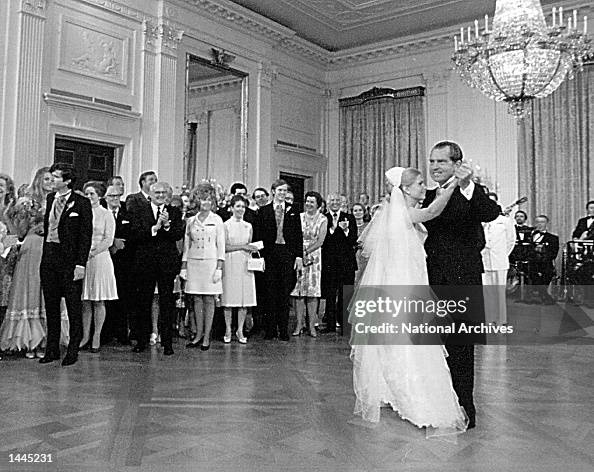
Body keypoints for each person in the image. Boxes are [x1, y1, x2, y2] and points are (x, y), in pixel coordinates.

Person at [351, 166, 467, 433]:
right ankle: (411, 396)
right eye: (419, 184)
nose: (423, 189)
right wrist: (452, 187)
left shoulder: (394, 212)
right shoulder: (401, 212)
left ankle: (393, 389)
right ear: (405, 189)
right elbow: (431, 212)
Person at [422, 141, 500, 429]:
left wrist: (468, 186)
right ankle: (437, 405)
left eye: (440, 162)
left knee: (461, 348)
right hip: (430, 282)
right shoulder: (427, 196)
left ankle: (465, 407)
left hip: (462, 282)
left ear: (457, 164)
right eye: (431, 162)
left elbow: (490, 213)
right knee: (432, 346)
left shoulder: (472, 193)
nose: (434, 167)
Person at [39, 163, 93, 366]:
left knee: (72, 306)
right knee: (51, 305)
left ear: (67, 180)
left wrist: (81, 264)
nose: (51, 181)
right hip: (50, 257)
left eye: (56, 177)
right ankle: (51, 349)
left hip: (70, 261)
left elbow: (85, 236)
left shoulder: (81, 203)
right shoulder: (51, 198)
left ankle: (73, 349)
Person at [129, 182, 184, 355]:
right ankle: (142, 340)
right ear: (150, 194)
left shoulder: (174, 211)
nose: (160, 195)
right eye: (157, 192)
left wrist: (167, 226)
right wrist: (154, 228)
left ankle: (167, 342)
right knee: (143, 302)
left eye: (163, 192)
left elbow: (177, 235)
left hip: (166, 264)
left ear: (168, 194)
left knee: (167, 302)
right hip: (145, 263)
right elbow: (135, 233)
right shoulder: (139, 210)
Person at [256, 179, 303, 341]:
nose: (283, 193)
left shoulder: (294, 210)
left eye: (285, 191)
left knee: (284, 292)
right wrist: (260, 257)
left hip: (287, 253)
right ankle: (270, 329)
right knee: (270, 292)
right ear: (274, 191)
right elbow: (258, 235)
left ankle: (283, 329)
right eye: (280, 190)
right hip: (270, 253)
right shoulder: (264, 211)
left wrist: (298, 256)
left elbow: (298, 235)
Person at [182, 183, 225, 351]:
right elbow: (187, 245)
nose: (205, 202)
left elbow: (220, 246)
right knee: (196, 299)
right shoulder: (191, 221)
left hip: (210, 263)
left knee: (209, 299)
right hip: (194, 262)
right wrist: (184, 267)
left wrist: (219, 267)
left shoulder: (217, 220)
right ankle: (198, 334)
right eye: (202, 199)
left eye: (208, 199)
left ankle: (207, 336)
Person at [79, 181, 118, 352]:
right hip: (83, 258)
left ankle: (97, 336)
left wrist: (92, 252)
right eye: (86, 194)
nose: (88, 197)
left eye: (92, 194)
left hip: (99, 258)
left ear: (100, 196)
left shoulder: (106, 214)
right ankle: (85, 335)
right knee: (85, 299)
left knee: (98, 299)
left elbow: (108, 240)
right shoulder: (81, 212)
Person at [290, 191, 327, 337]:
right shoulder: (298, 217)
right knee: (298, 292)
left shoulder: (323, 219)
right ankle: (299, 324)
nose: (309, 204)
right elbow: (293, 236)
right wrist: (300, 253)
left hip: (314, 256)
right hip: (298, 257)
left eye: (312, 202)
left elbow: (320, 241)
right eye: (307, 201)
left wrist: (306, 251)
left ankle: (312, 325)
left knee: (312, 293)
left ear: (318, 204)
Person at [221, 195, 257, 344]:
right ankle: (228, 329)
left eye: (243, 206)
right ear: (231, 208)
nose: (241, 209)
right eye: (238, 206)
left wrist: (252, 249)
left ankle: (240, 329)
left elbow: (249, 244)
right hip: (230, 262)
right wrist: (242, 246)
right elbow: (224, 247)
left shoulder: (248, 226)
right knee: (229, 299)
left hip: (244, 262)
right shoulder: (225, 225)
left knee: (244, 299)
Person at [321, 193, 357, 333]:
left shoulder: (349, 217)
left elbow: (353, 239)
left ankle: (345, 325)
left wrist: (346, 230)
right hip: (329, 263)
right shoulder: (323, 218)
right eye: (332, 200)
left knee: (346, 294)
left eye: (337, 200)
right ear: (328, 203)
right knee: (330, 295)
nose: (335, 203)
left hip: (346, 263)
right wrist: (332, 229)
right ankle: (330, 325)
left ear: (342, 202)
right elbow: (323, 240)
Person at [481, 193, 516, 325]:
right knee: (487, 292)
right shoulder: (481, 221)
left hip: (500, 260)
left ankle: (501, 320)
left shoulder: (505, 221)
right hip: (484, 260)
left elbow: (510, 241)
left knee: (500, 292)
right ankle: (489, 319)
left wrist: (502, 254)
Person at [528, 215, 559, 304]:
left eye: (542, 222)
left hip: (546, 263)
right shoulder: (530, 236)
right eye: (538, 222)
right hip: (532, 262)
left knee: (547, 273)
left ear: (546, 223)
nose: (540, 224)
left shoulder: (553, 238)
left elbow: (554, 253)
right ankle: (545, 296)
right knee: (532, 273)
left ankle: (543, 295)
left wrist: (543, 254)